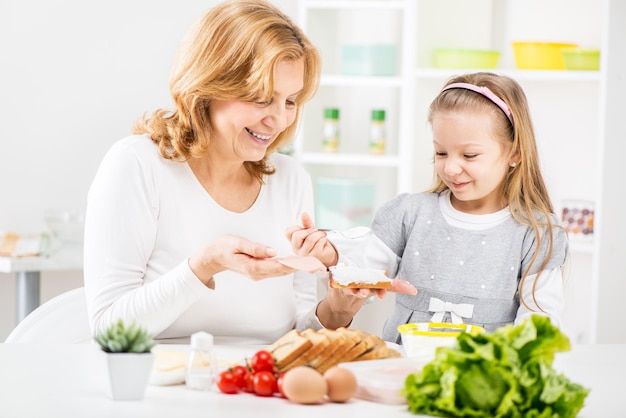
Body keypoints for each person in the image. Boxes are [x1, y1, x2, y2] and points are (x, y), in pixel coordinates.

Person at [83, 0, 413, 345]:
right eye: (260, 98)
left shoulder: (289, 179)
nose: (279, 119)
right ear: (208, 86)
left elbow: (295, 335)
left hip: (257, 392)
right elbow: (109, 330)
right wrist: (206, 264)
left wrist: (338, 307)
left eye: (290, 101)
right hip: (154, 390)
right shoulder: (137, 164)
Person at [287, 72, 568, 344]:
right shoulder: (409, 214)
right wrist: (330, 256)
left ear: (515, 152)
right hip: (404, 369)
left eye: (469, 155)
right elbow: (363, 274)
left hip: (486, 378)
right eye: (441, 152)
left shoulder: (536, 233)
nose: (450, 167)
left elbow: (539, 319)